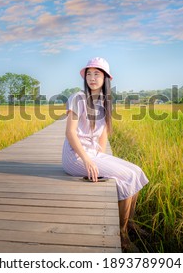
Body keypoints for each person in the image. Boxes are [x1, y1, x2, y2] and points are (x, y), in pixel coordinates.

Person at [62, 57, 149, 251]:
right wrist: (87, 160)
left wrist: (101, 157)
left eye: (97, 74)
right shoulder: (78, 98)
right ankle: (122, 234)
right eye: (89, 74)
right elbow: (70, 133)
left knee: (136, 171)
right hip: (75, 156)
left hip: (93, 153)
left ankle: (130, 222)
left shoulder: (104, 101)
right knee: (127, 177)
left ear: (106, 78)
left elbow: (103, 133)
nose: (92, 78)